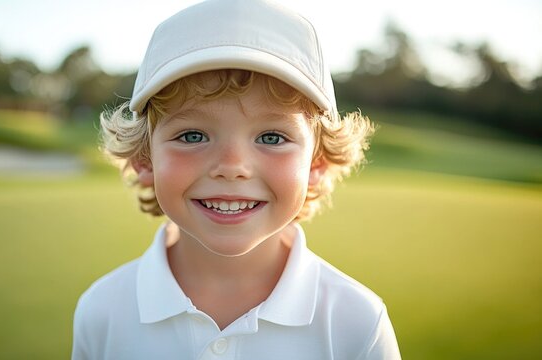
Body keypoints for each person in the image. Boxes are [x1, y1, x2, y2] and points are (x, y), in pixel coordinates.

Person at [72, 0, 401, 359]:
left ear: (316, 164)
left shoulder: (357, 323)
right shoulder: (101, 311)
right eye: (193, 136)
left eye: (272, 138)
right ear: (144, 159)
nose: (232, 167)